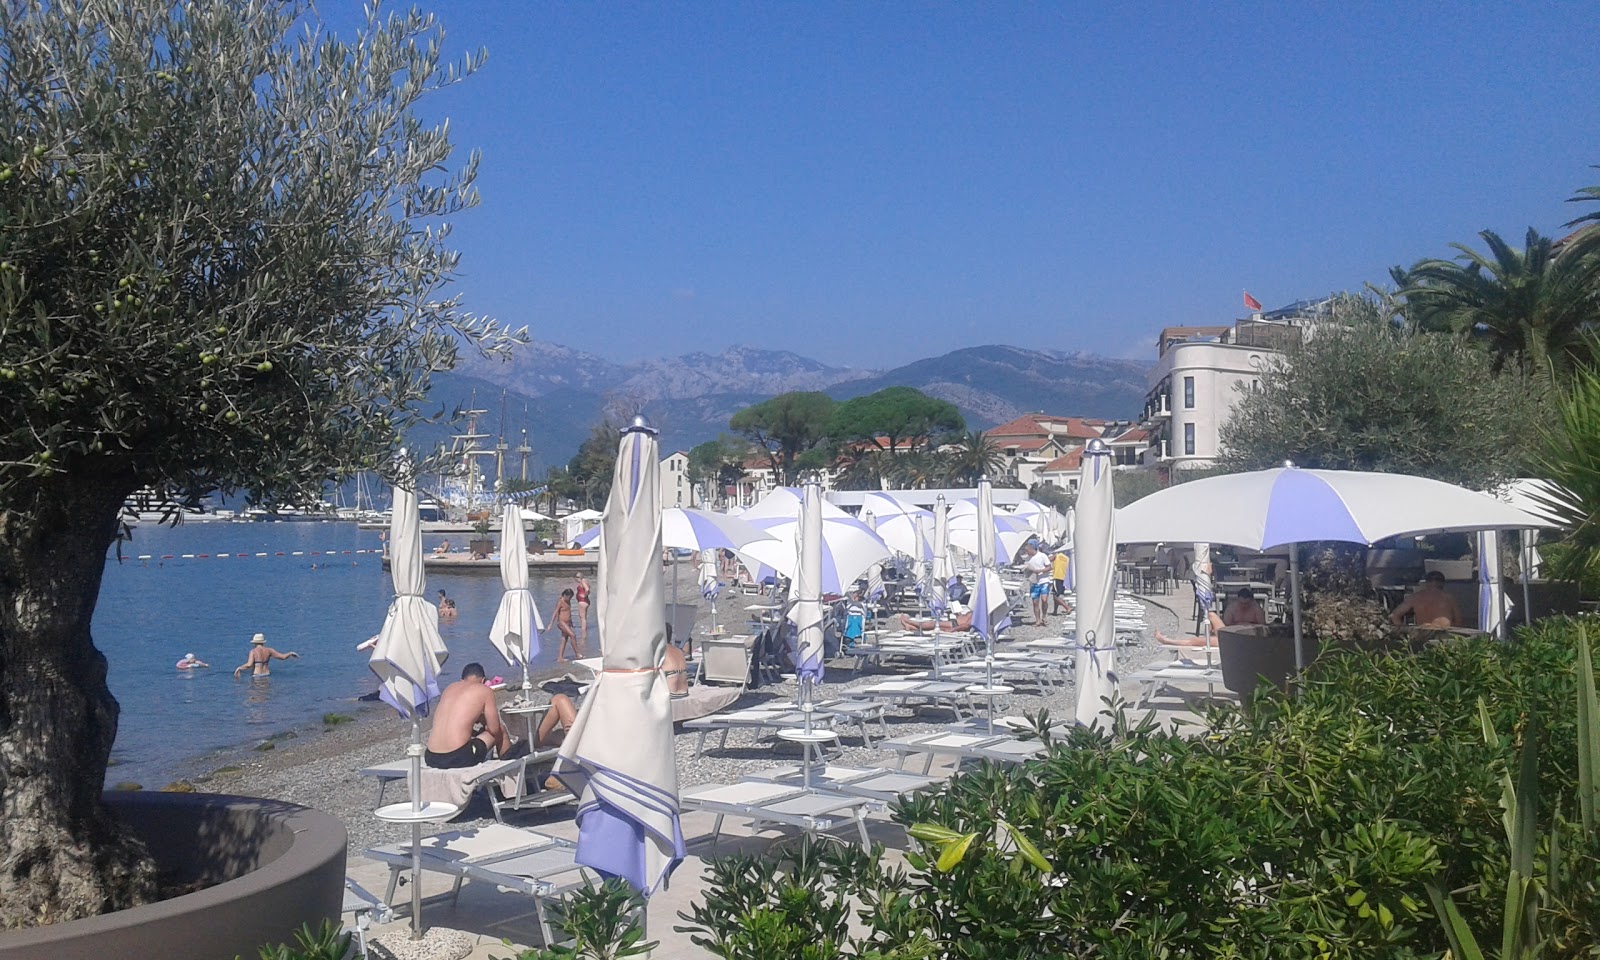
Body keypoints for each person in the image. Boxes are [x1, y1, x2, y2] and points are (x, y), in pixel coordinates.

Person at [425, 662, 513, 768]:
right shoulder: (484, 690)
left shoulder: (449, 688)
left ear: (462, 679)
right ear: (483, 680)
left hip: (431, 757)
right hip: (457, 757)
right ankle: (511, 773)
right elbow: (494, 729)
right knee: (501, 731)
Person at [1390, 571, 1462, 628]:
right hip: (1445, 635)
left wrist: (1404, 632)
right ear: (1442, 583)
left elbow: (1394, 616)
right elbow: (1458, 621)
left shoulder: (1415, 597)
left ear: (1426, 583)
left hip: (1424, 633)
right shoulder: (1448, 597)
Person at [233, 633, 299, 678]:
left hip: (257, 675)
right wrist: (290, 653)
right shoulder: (269, 650)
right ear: (263, 642)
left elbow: (249, 665)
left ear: (254, 642)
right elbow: (283, 657)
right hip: (267, 674)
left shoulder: (253, 651)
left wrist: (239, 668)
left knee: (254, 696)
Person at [1022, 542, 1052, 626]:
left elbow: (1049, 567)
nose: (1026, 552)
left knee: (1044, 600)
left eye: (1027, 550)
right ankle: (1038, 620)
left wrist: (1040, 571)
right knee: (1035, 602)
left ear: (1032, 548)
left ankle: (1044, 615)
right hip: (1034, 582)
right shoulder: (1028, 559)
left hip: (1044, 580)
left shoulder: (1042, 556)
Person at [898, 602, 974, 634]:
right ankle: (911, 627)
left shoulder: (977, 614)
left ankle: (909, 622)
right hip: (955, 623)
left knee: (931, 624)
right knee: (931, 628)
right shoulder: (975, 611)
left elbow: (966, 625)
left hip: (954, 625)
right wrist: (958, 614)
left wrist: (953, 629)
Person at [553, 588, 579, 661]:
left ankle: (560, 657)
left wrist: (572, 622)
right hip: (561, 622)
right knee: (572, 635)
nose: (569, 598)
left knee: (564, 639)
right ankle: (577, 654)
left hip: (568, 623)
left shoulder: (568, 601)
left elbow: (568, 612)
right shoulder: (560, 601)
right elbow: (555, 612)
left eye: (571, 597)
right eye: (569, 597)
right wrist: (550, 624)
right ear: (564, 595)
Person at [1050, 549, 1071, 615]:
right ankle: (1055, 611)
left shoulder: (1056, 555)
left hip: (1057, 576)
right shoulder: (1067, 558)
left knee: (1055, 596)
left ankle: (1067, 608)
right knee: (1056, 595)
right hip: (1064, 577)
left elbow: (1048, 560)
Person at [574, 573, 591, 650]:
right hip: (585, 601)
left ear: (579, 577)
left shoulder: (583, 581)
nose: (576, 579)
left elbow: (587, 589)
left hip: (582, 601)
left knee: (582, 617)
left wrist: (585, 595)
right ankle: (584, 631)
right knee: (584, 617)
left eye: (576, 577)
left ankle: (583, 632)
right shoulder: (586, 580)